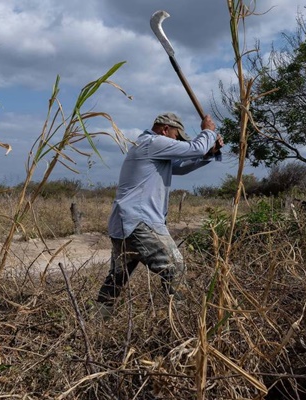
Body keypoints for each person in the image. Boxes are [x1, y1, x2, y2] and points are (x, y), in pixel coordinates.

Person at [95, 112, 223, 318]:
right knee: (175, 268)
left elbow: (182, 167)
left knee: (118, 276)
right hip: (139, 221)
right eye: (176, 137)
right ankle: (172, 321)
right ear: (165, 130)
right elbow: (194, 148)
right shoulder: (153, 142)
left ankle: (97, 320)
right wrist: (208, 131)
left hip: (125, 221)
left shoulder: (151, 148)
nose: (176, 142)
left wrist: (209, 153)